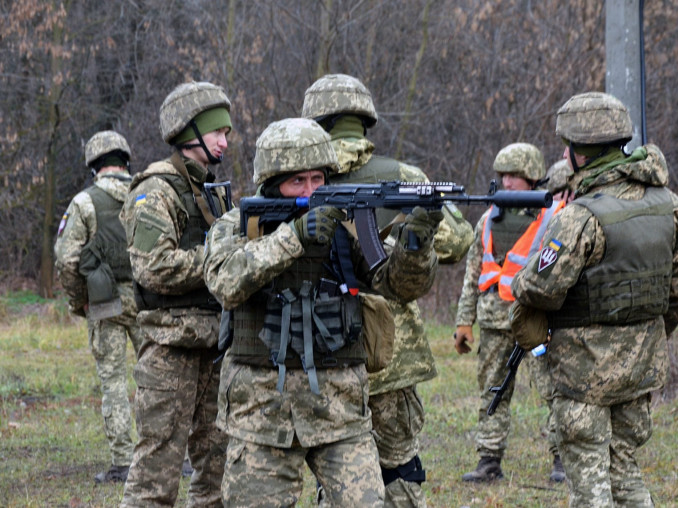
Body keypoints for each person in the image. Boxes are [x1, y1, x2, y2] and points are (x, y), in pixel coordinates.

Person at [203, 117, 442, 507]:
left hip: (340, 411)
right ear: (271, 183)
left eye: (318, 179)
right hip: (260, 412)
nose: (312, 190)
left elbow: (398, 287)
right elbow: (224, 282)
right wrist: (293, 236)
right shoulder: (238, 223)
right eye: (298, 181)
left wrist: (416, 243)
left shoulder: (344, 226)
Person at [510, 91, 678, 507]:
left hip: (582, 377)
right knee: (626, 474)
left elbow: (538, 287)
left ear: (580, 154)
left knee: (591, 488)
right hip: (641, 370)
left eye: (568, 148)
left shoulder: (579, 217)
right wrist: (645, 336)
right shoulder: (671, 207)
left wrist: (521, 281)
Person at [302, 73, 474, 507]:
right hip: (391, 356)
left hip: (319, 351)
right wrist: (401, 234)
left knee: (336, 472)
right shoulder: (403, 174)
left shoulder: (296, 178)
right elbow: (458, 241)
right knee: (397, 472)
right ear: (366, 122)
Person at [119, 81, 233, 507]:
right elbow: (154, 267)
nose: (225, 139)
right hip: (170, 350)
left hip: (215, 345)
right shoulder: (155, 191)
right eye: (217, 131)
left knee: (217, 472)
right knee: (156, 473)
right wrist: (221, 259)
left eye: (226, 131)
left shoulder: (210, 192)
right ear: (190, 133)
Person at [453, 142, 565, 483]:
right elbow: (473, 274)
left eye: (515, 175)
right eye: (503, 175)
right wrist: (463, 321)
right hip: (494, 323)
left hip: (537, 322)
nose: (508, 181)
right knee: (493, 391)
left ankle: (563, 459)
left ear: (532, 177)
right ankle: (489, 461)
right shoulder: (487, 218)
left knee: (554, 388)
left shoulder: (555, 216)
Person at [54, 130, 144, 484]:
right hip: (148, 298)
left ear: (95, 164)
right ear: (124, 160)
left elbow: (66, 259)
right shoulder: (147, 194)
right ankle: (176, 455)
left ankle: (123, 462)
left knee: (113, 382)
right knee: (162, 379)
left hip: (104, 300)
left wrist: (80, 301)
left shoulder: (84, 202)